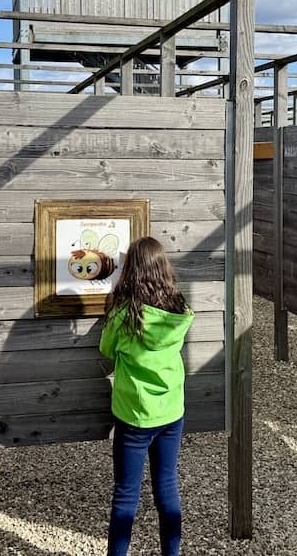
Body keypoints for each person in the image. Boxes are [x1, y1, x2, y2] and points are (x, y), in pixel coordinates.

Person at [99, 236, 195, 556]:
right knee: (166, 486)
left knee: (126, 494)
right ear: (163, 267)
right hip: (171, 412)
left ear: (131, 270)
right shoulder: (179, 309)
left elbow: (106, 348)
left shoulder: (126, 315)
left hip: (134, 415)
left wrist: (114, 295)